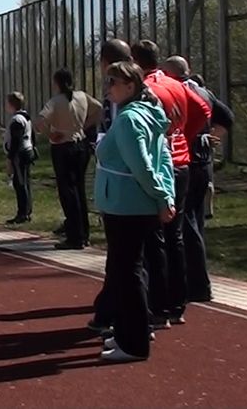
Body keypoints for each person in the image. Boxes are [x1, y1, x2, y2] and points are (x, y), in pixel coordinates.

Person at [94, 61, 175, 363]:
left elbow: (142, 164)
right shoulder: (146, 115)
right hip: (128, 205)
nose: (108, 87)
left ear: (131, 86)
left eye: (113, 81)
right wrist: (165, 195)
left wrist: (161, 196)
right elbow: (162, 159)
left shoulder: (129, 119)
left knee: (128, 275)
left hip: (126, 207)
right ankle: (129, 333)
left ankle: (135, 342)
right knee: (126, 272)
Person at [131, 41, 210, 326]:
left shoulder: (146, 89)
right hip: (183, 163)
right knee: (175, 237)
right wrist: (183, 136)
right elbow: (203, 109)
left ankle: (159, 304)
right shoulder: (177, 84)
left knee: (155, 237)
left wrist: (168, 138)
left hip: (162, 165)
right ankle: (177, 303)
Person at [161, 56, 235, 303]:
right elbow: (227, 118)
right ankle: (191, 279)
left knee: (186, 224)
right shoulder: (204, 92)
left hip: (187, 161)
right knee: (195, 221)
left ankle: (197, 284)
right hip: (203, 163)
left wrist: (196, 138)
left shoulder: (177, 91)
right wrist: (212, 136)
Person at [88, 39, 133, 333]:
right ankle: (124, 314)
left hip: (124, 187)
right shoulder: (150, 92)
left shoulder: (125, 102)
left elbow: (125, 147)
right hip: (130, 184)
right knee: (133, 257)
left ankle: (119, 318)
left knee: (124, 258)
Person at [34, 68, 102, 250]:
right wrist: (84, 126)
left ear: (56, 83)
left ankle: (74, 235)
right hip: (80, 144)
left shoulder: (55, 101)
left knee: (67, 192)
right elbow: (99, 109)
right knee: (79, 189)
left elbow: (39, 122)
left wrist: (51, 133)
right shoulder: (82, 97)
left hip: (63, 145)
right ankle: (84, 233)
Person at [3, 92, 35, 224]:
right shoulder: (25, 117)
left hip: (20, 154)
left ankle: (23, 213)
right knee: (24, 182)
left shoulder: (17, 120)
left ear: (11, 105)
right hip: (27, 151)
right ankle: (26, 211)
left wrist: (10, 159)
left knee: (20, 183)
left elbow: (16, 141)